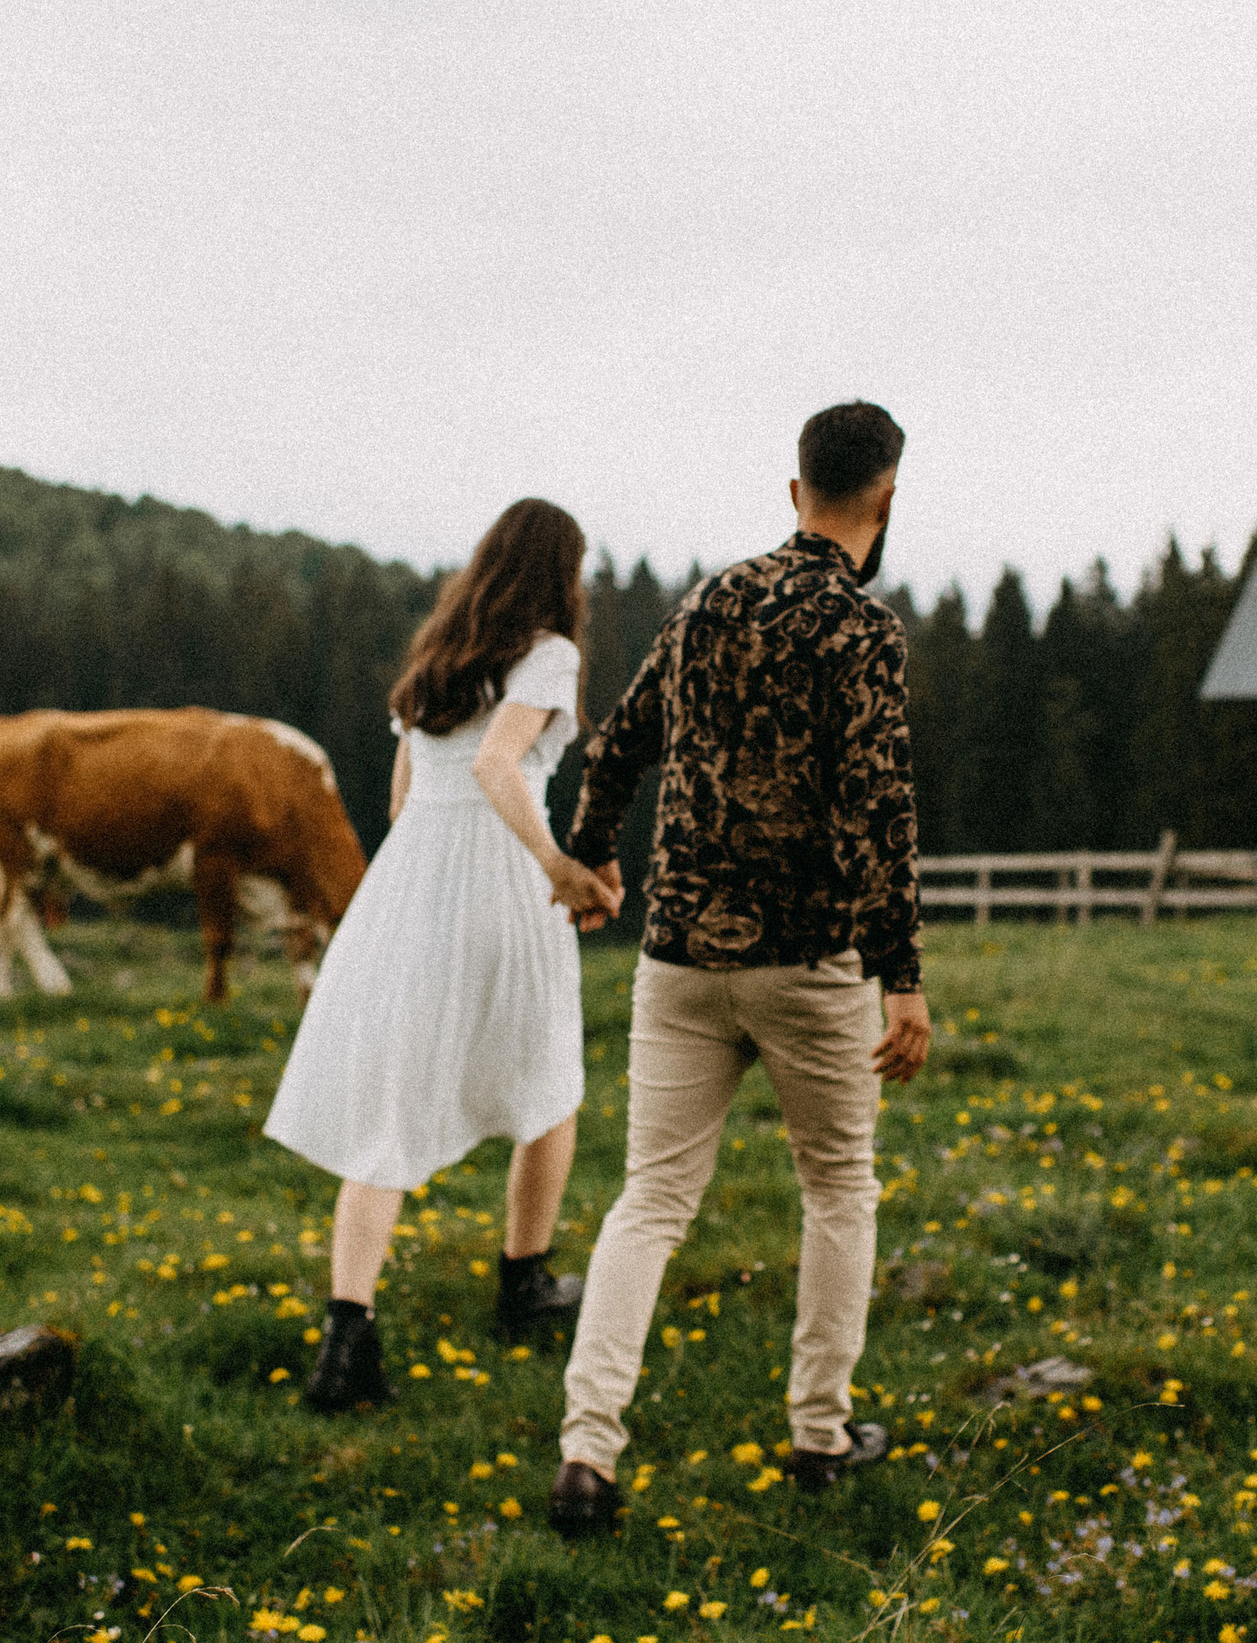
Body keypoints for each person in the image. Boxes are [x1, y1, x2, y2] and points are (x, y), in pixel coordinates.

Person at [547, 401, 932, 1534]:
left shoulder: (714, 599)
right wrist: (900, 975)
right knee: (837, 1187)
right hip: (809, 965)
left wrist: (590, 852)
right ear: (888, 495)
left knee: (650, 1200)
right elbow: (881, 808)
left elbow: (617, 740)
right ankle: (819, 1434)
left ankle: (586, 1453)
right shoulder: (861, 631)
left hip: (677, 956)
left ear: (794, 489)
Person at [264, 496, 620, 1414]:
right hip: (501, 881)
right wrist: (556, 865)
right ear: (562, 574)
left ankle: (348, 1338)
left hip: (410, 887)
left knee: (390, 1107)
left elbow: (401, 800)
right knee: (549, 1082)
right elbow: (498, 769)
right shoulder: (550, 654)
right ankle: (523, 1281)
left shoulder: (436, 665)